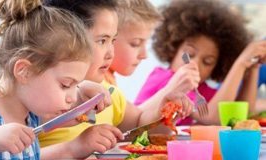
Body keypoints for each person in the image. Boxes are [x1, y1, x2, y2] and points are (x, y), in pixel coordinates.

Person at [0, 0, 98, 159]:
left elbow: (75, 116)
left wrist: (87, 103)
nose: (72, 97)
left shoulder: (30, 117)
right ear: (24, 72)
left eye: (76, 86)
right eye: (66, 85)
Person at [39, 0, 193, 159]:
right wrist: (74, 148)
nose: (110, 53)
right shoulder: (41, 98)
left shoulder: (109, 92)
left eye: (113, 41)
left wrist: (164, 111)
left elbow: (142, 127)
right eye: (102, 41)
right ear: (65, 40)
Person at [135, 0, 266, 125]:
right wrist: (241, 63)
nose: (195, 64)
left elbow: (237, 116)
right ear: (172, 49)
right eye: (189, 54)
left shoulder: (202, 90)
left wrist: (254, 66)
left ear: (216, 67)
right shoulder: (167, 79)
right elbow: (214, 118)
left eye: (207, 62)